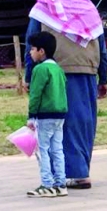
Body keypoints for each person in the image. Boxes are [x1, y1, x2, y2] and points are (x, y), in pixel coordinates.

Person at [25, 0, 107, 190]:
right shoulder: (88, 7)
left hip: (54, 72)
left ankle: (65, 174)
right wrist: (104, 78)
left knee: (58, 121)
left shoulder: (43, 6)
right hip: (88, 71)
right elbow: (102, 45)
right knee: (84, 121)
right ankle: (81, 171)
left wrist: (28, 77)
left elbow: (31, 43)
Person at [25, 31, 67, 197]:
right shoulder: (58, 69)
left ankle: (46, 183)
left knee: (43, 150)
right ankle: (60, 183)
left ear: (41, 51)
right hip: (60, 114)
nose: (30, 52)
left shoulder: (40, 69)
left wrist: (31, 115)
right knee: (57, 149)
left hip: (44, 115)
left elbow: (35, 94)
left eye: (33, 49)